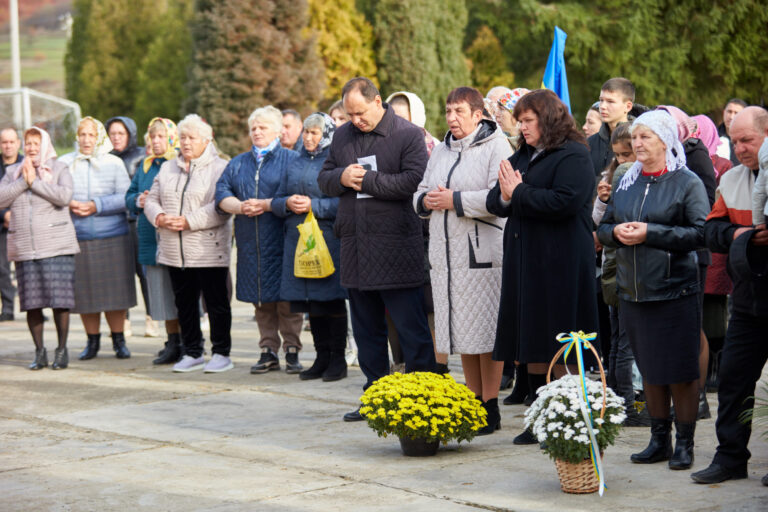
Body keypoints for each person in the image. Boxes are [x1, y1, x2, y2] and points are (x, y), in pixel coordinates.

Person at [317, 77, 436, 422]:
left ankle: (424, 395)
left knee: (411, 330)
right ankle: (374, 396)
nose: (355, 120)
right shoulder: (342, 136)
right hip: (355, 245)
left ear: (378, 101)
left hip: (397, 245)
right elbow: (323, 179)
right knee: (367, 330)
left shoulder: (407, 134)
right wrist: (341, 178)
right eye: (350, 114)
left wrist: (366, 180)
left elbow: (414, 182)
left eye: (360, 112)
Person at [597, 111, 709, 470]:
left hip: (675, 290)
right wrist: (615, 234)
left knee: (679, 369)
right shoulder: (625, 180)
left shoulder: (686, 181)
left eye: (646, 137)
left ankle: (685, 443)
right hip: (633, 289)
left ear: (665, 141)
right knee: (649, 369)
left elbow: (700, 233)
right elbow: (604, 227)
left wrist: (651, 233)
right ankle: (659, 439)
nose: (638, 143)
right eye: (635, 137)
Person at [486, 89, 599, 444]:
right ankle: (538, 417)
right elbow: (497, 198)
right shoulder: (523, 154)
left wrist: (517, 194)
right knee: (532, 339)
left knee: (558, 339)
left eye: (528, 120)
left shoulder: (575, 154)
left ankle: (565, 417)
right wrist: (506, 195)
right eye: (519, 121)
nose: (521, 127)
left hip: (560, 262)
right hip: (525, 260)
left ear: (548, 119)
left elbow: (564, 202)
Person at [414, 86, 512, 434]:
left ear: (477, 115)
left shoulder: (496, 145)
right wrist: (426, 201)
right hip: (446, 256)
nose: (452, 118)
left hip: (482, 254)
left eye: (459, 111)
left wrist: (453, 199)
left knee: (487, 333)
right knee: (463, 333)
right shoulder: (440, 149)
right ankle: (473, 401)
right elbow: (422, 189)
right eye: (448, 111)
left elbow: (500, 197)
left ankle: (491, 405)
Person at [692, 106, 768, 486]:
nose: (739, 148)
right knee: (735, 380)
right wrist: (742, 236)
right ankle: (730, 458)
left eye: (747, 140)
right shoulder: (733, 180)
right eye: (734, 140)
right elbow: (711, 230)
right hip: (748, 300)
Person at [216, 106, 304, 374]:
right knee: (261, 298)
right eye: (253, 128)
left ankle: (292, 350)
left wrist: (267, 205)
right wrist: (240, 207)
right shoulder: (238, 163)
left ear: (278, 130)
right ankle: (267, 349)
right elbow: (221, 193)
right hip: (251, 242)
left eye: (263, 127)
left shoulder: (292, 159)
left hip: (284, 240)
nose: (256, 132)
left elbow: (298, 195)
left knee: (288, 298)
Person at [144, 114, 233, 373]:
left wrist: (188, 221)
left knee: (216, 304)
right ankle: (192, 351)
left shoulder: (220, 167)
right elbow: (152, 198)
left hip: (208, 249)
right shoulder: (167, 167)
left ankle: (221, 353)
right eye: (182, 137)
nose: (185, 142)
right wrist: (159, 217)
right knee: (184, 303)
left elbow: (221, 206)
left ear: (206, 140)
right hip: (174, 250)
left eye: (191, 138)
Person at [272, 113, 348, 381]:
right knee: (312, 303)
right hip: (299, 240)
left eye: (315, 133)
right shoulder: (295, 160)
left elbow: (345, 203)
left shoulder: (336, 161)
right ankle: (321, 357)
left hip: (328, 240)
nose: (308, 137)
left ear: (327, 134)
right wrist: (287, 203)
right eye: (306, 132)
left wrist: (313, 206)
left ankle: (337, 360)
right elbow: (278, 198)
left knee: (331, 301)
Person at [657, 105, 718, 420]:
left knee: (692, 327)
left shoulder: (695, 154)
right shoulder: (658, 157)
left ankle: (700, 397)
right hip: (661, 253)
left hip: (691, 251)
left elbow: (706, 205)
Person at [0, 127, 79, 370]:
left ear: (44, 144)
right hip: (25, 248)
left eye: (36, 143)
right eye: (29, 143)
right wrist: (25, 181)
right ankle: (40, 352)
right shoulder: (14, 171)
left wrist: (36, 183)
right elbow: (1, 198)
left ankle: (62, 350)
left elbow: (64, 196)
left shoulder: (59, 168)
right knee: (32, 304)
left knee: (59, 301)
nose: (32, 147)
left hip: (56, 246)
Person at [61, 117, 135, 360]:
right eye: (82, 135)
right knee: (85, 294)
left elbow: (126, 197)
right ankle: (92, 342)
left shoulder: (113, 163)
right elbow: (57, 194)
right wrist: (69, 203)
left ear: (99, 138)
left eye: (91, 135)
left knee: (115, 294)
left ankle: (119, 340)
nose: (86, 140)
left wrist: (97, 205)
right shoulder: (65, 163)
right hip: (78, 237)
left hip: (112, 235)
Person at [591, 122, 649, 426]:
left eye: (628, 153)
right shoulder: (618, 175)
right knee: (621, 340)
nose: (624, 160)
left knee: (620, 339)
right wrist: (602, 200)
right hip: (618, 267)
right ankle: (624, 403)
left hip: (622, 264)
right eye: (619, 155)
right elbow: (600, 225)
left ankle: (616, 400)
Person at [385, 90, 442, 373]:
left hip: (427, 237)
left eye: (403, 117)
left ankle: (433, 370)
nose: (397, 123)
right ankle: (401, 368)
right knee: (396, 310)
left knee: (429, 309)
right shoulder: (383, 146)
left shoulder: (437, 150)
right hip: (392, 237)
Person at [125, 118, 182, 364]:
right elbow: (129, 196)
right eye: (152, 137)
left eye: (160, 137)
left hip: (175, 237)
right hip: (150, 237)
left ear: (171, 138)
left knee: (181, 293)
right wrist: (139, 200)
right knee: (160, 294)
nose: (155, 142)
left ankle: (189, 341)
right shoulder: (145, 166)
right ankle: (172, 341)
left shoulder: (179, 163)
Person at [106, 116, 155, 338]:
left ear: (130, 135)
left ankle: (151, 317)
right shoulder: (105, 158)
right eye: (112, 133)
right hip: (114, 221)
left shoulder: (141, 156)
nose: (116, 138)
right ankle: (123, 320)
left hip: (136, 222)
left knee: (143, 272)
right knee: (119, 273)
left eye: (121, 133)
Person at [588, 77, 635, 176]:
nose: (603, 106)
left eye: (610, 101)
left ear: (628, 106)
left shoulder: (638, 142)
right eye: (601, 100)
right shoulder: (589, 143)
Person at [0, 128, 21, 321]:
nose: (8, 145)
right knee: (2, 269)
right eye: (4, 142)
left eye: (11, 142)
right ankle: (7, 308)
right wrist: (4, 214)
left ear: (18, 143)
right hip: (2, 226)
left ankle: (35, 308)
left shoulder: (27, 164)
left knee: (28, 268)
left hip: (25, 224)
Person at [717, 98, 747, 166]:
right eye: (729, 112)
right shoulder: (715, 138)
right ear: (724, 112)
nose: (731, 117)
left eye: (736, 113)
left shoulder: (750, 140)